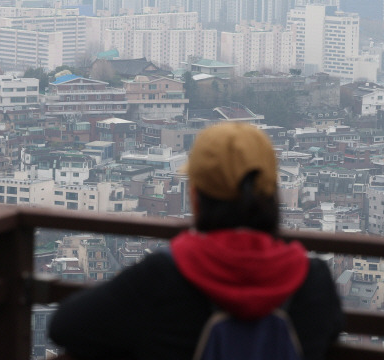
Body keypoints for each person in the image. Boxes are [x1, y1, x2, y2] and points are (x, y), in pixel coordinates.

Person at [49, 123, 343, 360]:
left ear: (195, 197)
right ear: (272, 194)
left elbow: (65, 326)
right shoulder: (313, 281)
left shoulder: (162, 278)